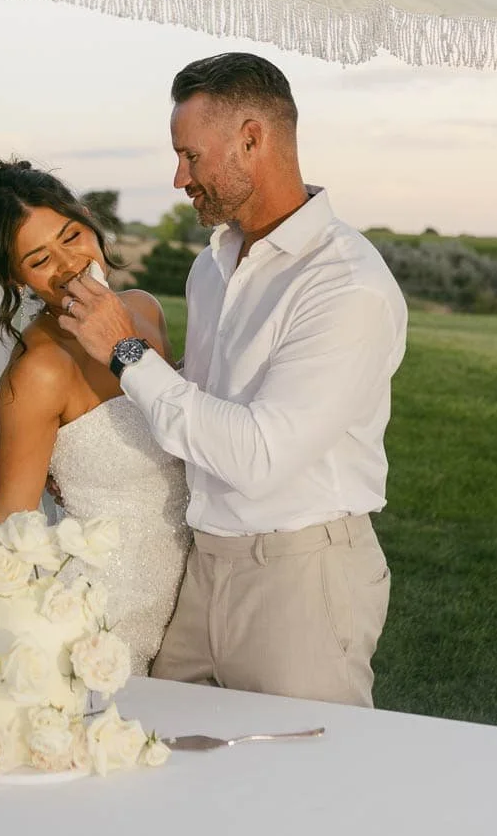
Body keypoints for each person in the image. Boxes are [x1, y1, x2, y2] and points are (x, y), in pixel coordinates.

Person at [59, 52, 408, 707]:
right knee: (159, 749)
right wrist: (93, 445)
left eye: (191, 156)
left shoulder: (346, 286)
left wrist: (126, 352)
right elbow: (198, 404)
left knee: (304, 783)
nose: (177, 177)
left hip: (302, 581)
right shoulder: (211, 267)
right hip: (202, 566)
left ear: (253, 139)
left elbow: (257, 455)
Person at [0, 160, 189, 672]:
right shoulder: (39, 372)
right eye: (40, 258)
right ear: (16, 279)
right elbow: (7, 514)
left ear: (89, 220)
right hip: (100, 615)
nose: (68, 264)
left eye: (72, 235)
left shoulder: (146, 311)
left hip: (192, 600)